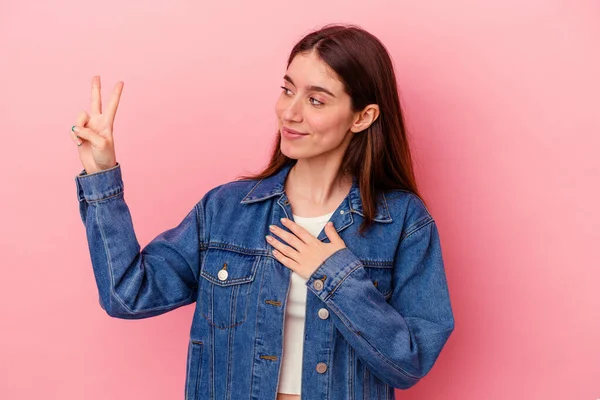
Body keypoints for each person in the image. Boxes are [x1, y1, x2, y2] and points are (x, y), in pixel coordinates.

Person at [70, 24, 455, 400]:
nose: (290, 112)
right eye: (287, 90)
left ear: (363, 117)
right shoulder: (226, 211)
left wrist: (334, 275)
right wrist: (101, 175)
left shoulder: (403, 222)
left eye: (315, 100)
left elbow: (410, 362)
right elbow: (127, 295)